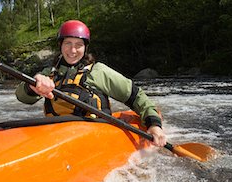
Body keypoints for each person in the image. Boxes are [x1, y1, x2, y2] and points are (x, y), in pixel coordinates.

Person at [15, 20, 166, 147]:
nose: (72, 50)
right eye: (68, 43)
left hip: (94, 138)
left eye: (78, 44)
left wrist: (154, 124)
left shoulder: (98, 71)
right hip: (56, 137)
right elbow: (22, 96)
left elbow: (135, 96)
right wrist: (32, 85)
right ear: (60, 45)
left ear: (85, 47)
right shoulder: (50, 73)